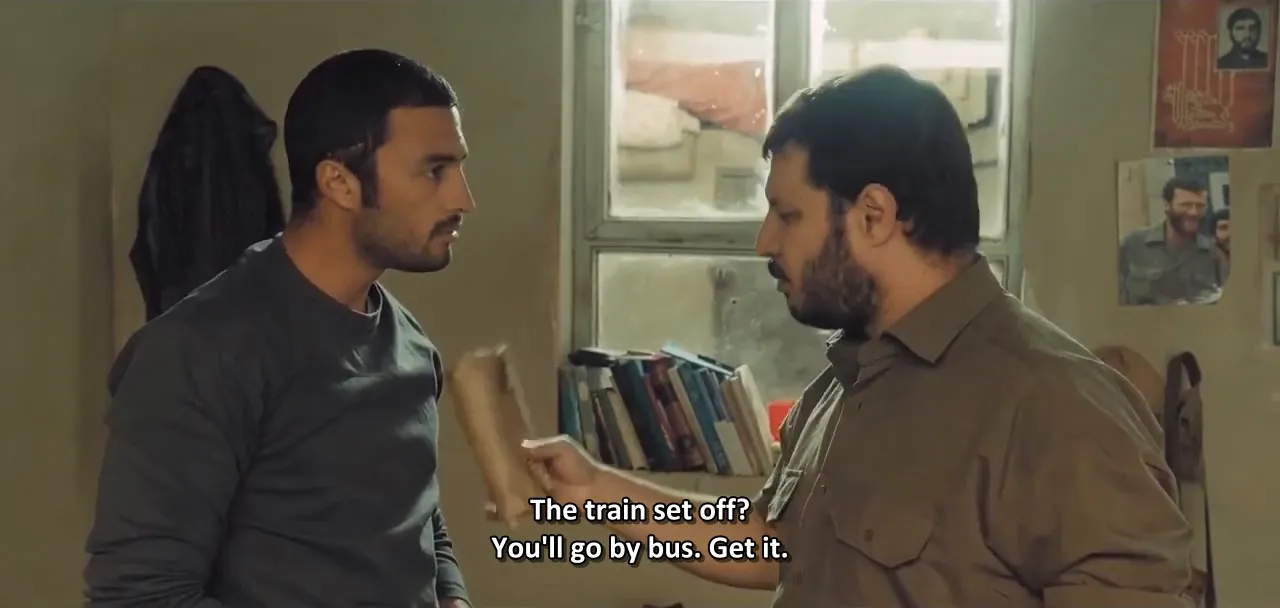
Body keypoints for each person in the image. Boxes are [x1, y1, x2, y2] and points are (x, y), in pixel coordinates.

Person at [524, 66, 1193, 607]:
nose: (764, 241)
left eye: (788, 215)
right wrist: (598, 490)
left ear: (874, 215)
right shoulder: (845, 383)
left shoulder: (1059, 409)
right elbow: (770, 544)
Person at [84, 49, 475, 608]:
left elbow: (414, 516)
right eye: (435, 171)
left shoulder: (409, 341)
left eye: (458, 168)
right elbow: (140, 595)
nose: (463, 198)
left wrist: (452, 596)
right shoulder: (199, 352)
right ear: (339, 182)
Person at [1119, 176, 1228, 306]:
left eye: (1200, 206)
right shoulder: (1133, 244)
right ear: (1167, 206)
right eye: (1185, 205)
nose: (1193, 212)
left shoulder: (1212, 252)